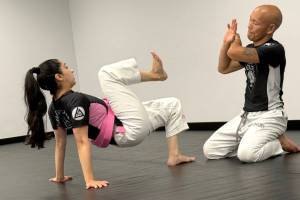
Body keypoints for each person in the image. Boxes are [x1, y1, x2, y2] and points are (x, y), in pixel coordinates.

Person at [24, 52, 195, 189]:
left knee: (172, 105)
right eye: (66, 67)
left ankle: (175, 155)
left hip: (124, 129)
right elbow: (82, 141)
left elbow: (60, 144)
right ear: (59, 77)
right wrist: (89, 180)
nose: (72, 70)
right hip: (128, 129)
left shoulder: (54, 108)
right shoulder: (74, 101)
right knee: (105, 73)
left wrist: (59, 176)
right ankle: (155, 75)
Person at [203, 5, 300, 163]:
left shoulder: (274, 49)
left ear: (270, 29)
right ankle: (254, 138)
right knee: (210, 150)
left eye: (255, 22)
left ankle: (278, 144)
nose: (249, 25)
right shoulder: (249, 50)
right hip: (247, 115)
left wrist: (234, 42)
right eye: (250, 20)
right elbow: (224, 68)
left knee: (247, 155)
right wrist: (225, 43)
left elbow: (234, 52)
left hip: (271, 115)